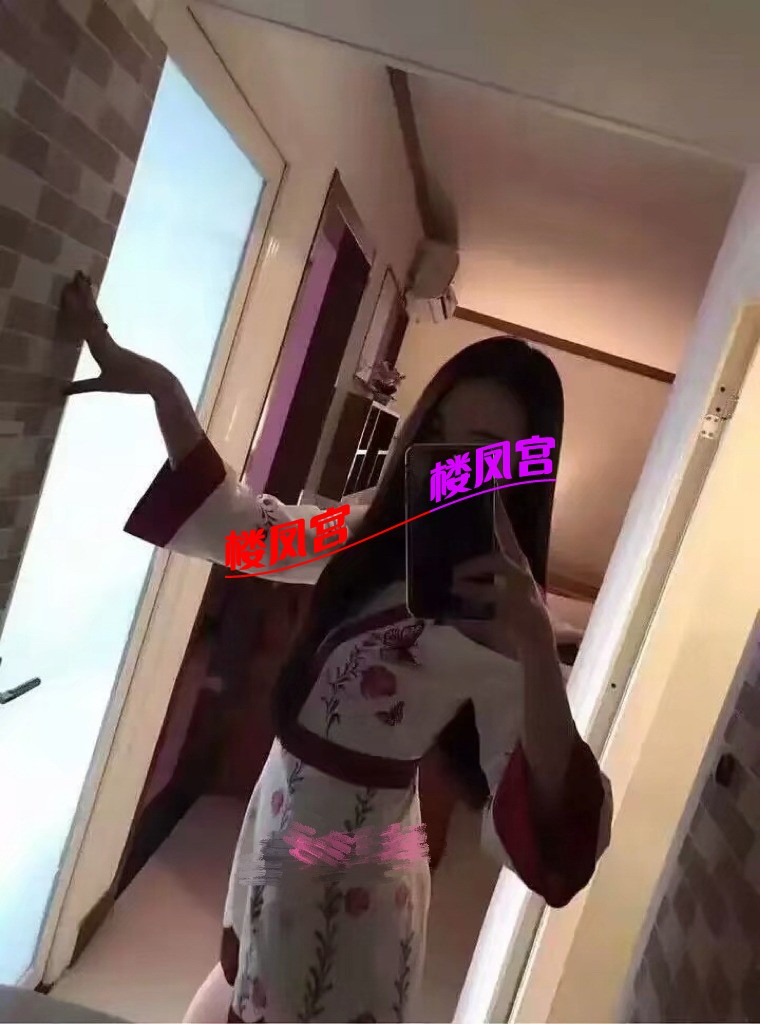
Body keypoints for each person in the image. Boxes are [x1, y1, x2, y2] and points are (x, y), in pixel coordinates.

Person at [59, 272, 613, 1024]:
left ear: (525, 465)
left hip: (354, 867)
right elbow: (246, 531)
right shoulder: (367, 528)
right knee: (244, 977)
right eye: (439, 430)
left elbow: (553, 822)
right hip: (281, 813)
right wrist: (162, 388)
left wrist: (536, 645)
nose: (450, 463)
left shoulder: (503, 616)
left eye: (485, 449)